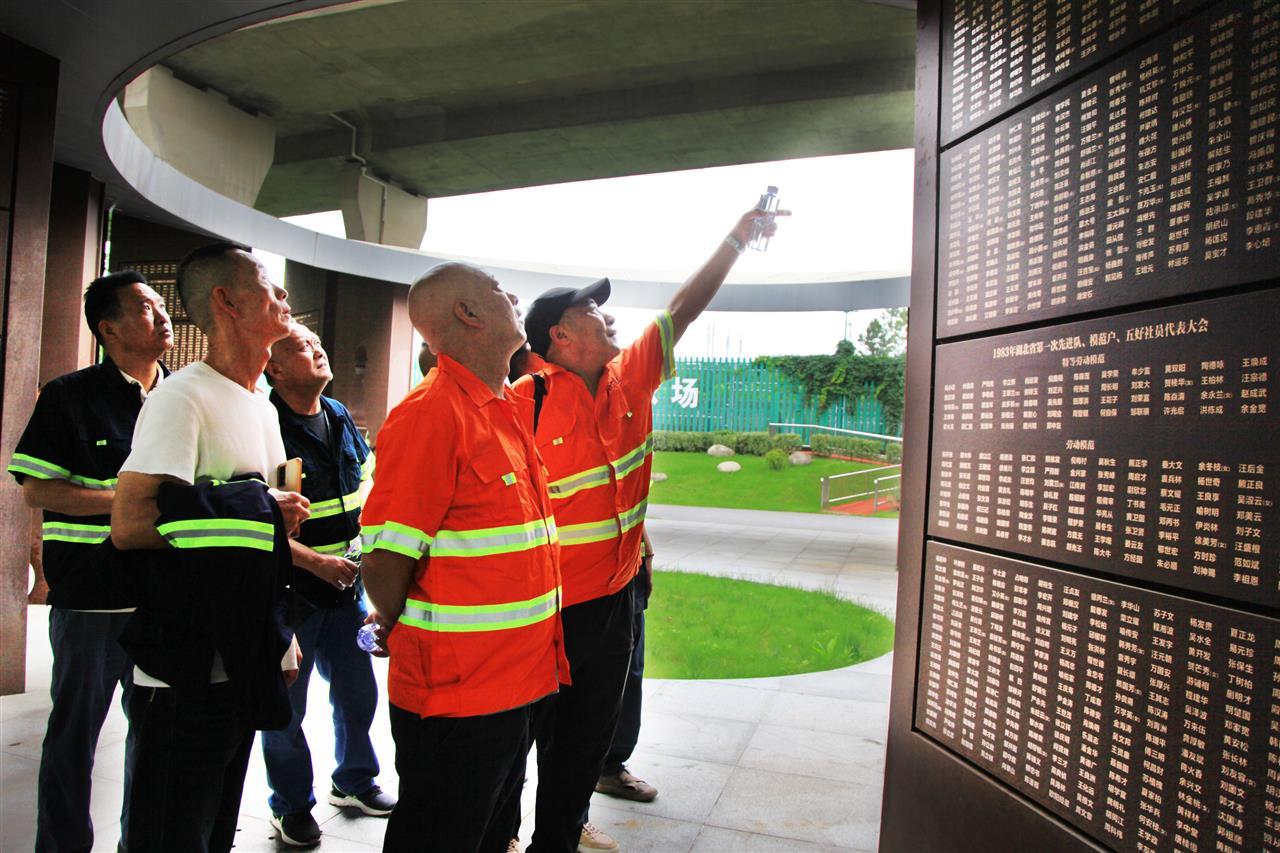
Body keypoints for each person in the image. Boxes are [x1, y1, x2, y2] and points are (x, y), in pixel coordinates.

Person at [516, 205, 786, 851]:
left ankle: (560, 835)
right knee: (522, 732)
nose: (607, 316)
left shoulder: (630, 377)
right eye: (592, 310)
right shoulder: (525, 402)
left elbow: (682, 309)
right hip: (543, 605)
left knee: (587, 737)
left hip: (613, 600)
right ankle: (501, 830)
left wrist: (737, 238)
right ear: (560, 335)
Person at [110, 243, 310, 853]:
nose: (285, 297)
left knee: (214, 830)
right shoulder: (182, 398)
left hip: (242, 656)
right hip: (184, 668)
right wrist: (259, 507)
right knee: (168, 834)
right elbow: (130, 524)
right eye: (269, 285)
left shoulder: (261, 403)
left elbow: (256, 543)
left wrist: (281, 636)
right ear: (226, 301)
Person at [360, 262, 566, 851]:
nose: (514, 297)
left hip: (515, 682)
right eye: (500, 291)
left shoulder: (500, 408)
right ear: (468, 313)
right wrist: (397, 622)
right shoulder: (431, 413)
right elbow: (385, 558)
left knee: (490, 832)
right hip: (456, 695)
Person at [7, 270, 172, 853]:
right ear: (109, 329)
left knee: (155, 738)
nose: (162, 314)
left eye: (161, 305)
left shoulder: (180, 397)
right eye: (146, 307)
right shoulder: (69, 396)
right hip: (91, 601)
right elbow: (38, 490)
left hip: (162, 597)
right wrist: (131, 500)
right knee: (74, 736)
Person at [260, 323, 396, 846]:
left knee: (358, 693)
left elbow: (364, 493)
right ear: (274, 368)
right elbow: (256, 524)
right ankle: (291, 805)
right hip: (291, 593)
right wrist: (315, 563)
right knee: (287, 708)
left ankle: (354, 781)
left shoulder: (337, 415)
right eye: (301, 346)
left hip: (346, 589)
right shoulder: (267, 425)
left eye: (317, 342)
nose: (316, 349)